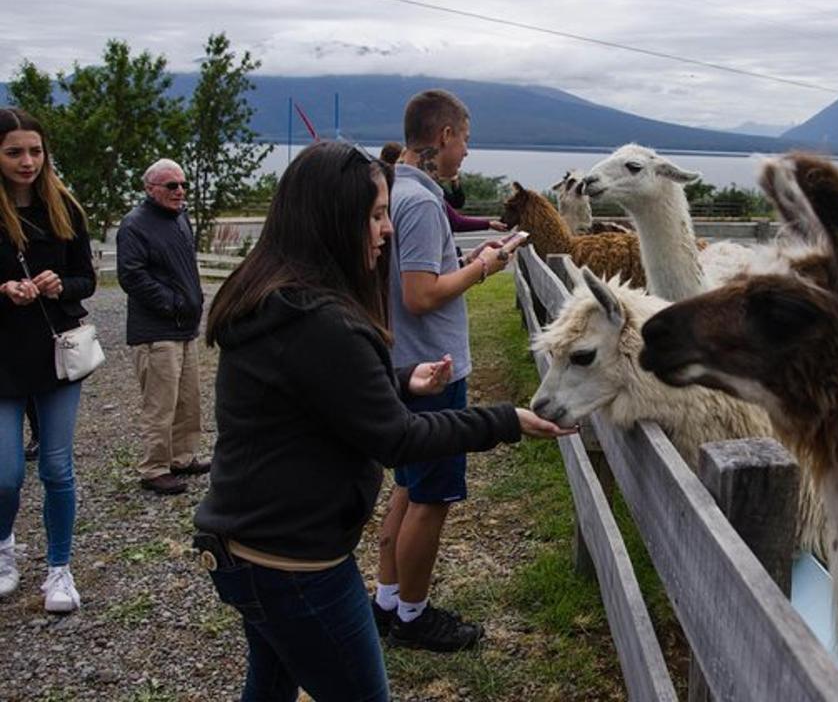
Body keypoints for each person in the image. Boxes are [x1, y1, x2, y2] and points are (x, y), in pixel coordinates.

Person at [194, 141, 572, 700]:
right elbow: (397, 438)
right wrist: (505, 420)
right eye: (374, 215)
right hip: (296, 565)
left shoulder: (277, 296)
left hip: (247, 547)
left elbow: (313, 394)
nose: (386, 230)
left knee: (272, 684)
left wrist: (400, 381)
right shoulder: (320, 321)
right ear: (334, 219)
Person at [373, 89, 515, 653]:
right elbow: (421, 295)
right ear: (444, 137)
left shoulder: (392, 192)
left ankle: (386, 602)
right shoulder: (425, 203)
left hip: (402, 365)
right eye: (465, 140)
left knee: (407, 488)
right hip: (432, 367)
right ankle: (413, 616)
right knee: (431, 498)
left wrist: (466, 260)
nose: (465, 154)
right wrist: (486, 265)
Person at [0, 107, 96, 613]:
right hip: (3, 361)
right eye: (15, 151)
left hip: (57, 356)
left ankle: (60, 569)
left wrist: (60, 286)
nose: (27, 161)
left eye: (35, 151)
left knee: (57, 469)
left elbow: (87, 279)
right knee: (5, 473)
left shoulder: (65, 209)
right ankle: (4, 549)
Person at [117, 159, 209, 496]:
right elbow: (132, 275)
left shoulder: (180, 218)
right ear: (150, 188)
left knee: (188, 398)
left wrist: (191, 300)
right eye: (172, 186)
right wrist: (171, 302)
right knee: (160, 402)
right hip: (155, 331)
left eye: (183, 185)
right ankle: (154, 467)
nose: (180, 191)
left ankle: (182, 457)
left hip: (185, 327)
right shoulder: (135, 225)